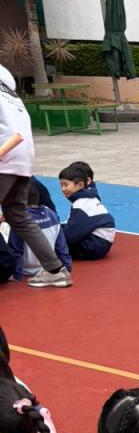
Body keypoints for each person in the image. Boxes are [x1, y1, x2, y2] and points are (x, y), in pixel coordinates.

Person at [0, 65, 72, 288]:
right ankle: (55, 269)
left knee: (18, 215)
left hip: (3, 157)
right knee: (18, 215)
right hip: (22, 159)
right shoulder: (13, 99)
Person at [4, 178, 71, 280]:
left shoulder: (19, 219)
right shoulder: (52, 214)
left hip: (25, 269)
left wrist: (16, 275)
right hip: (48, 266)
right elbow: (61, 246)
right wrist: (66, 266)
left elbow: (16, 249)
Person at [58, 160, 116, 261]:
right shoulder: (89, 197)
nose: (63, 189)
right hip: (99, 243)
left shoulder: (82, 204)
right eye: (61, 185)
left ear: (81, 184)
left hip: (94, 246)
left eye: (66, 185)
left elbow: (70, 237)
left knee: (51, 245)